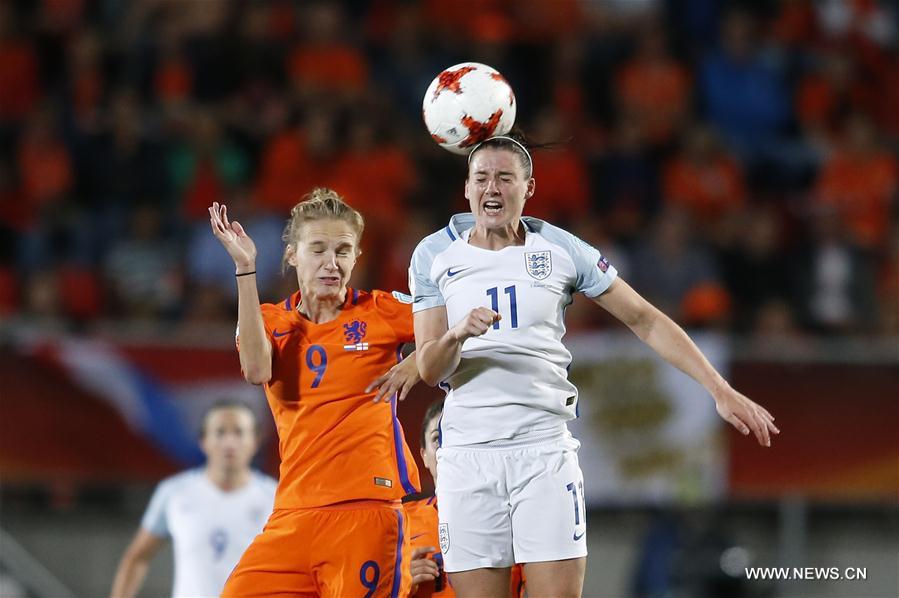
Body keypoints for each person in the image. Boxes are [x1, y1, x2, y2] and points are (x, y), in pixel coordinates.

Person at [409, 134, 779, 598]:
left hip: (543, 453)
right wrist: (457, 334)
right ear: (466, 188)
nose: (493, 188)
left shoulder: (561, 249)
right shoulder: (433, 255)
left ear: (529, 188)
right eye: (482, 178)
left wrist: (718, 388)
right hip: (467, 457)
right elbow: (428, 367)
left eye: (506, 178)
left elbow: (644, 319)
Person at [209, 189, 422, 597]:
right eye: (318, 248)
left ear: (357, 256)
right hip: (293, 512)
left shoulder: (383, 311)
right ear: (292, 255)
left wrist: (422, 358)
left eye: (343, 250)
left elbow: (465, 316)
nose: (331, 262)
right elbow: (256, 370)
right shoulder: (269, 319)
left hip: (366, 508)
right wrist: (245, 268)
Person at [110, 400, 277, 598]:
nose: (229, 442)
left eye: (239, 432)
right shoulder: (174, 492)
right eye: (220, 432)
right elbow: (137, 557)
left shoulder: (276, 497)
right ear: (203, 440)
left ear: (256, 441)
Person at [405, 398, 526, 598]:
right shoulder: (401, 522)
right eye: (437, 439)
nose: (448, 450)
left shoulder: (513, 516)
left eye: (457, 437)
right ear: (424, 455)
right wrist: (398, 582)